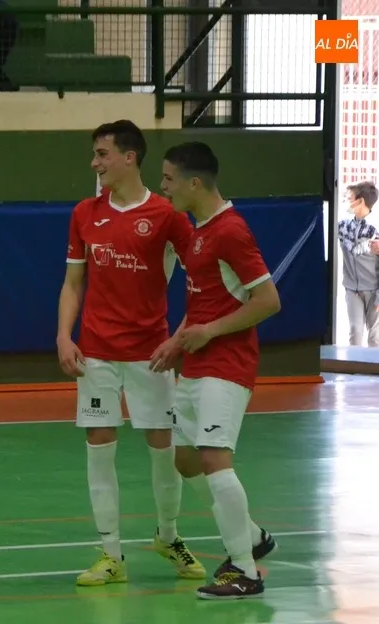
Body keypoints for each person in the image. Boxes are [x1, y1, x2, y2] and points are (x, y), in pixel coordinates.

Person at [57, 119, 205, 587]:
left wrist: (178, 338)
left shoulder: (167, 215)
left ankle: (168, 536)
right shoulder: (85, 213)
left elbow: (204, 282)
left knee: (164, 447)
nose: (94, 163)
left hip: (151, 353)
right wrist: (63, 336)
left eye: (102, 154)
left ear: (129, 157)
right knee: (99, 445)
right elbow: (73, 282)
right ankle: (110, 554)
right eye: (94, 154)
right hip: (96, 352)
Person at [155, 141, 281, 599]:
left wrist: (210, 332)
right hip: (196, 363)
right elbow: (203, 303)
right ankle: (252, 536)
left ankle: (245, 570)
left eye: (168, 179)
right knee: (183, 456)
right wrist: (177, 340)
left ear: (194, 183)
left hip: (227, 365)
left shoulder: (231, 231)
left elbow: (268, 300)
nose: (162, 186)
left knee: (213, 457)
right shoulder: (198, 233)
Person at [338, 181, 379, 346]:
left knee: (374, 337)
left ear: (360, 201)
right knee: (355, 332)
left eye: (349, 198)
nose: (346, 201)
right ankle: (353, 364)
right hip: (352, 289)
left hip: (374, 291)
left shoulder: (375, 229)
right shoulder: (343, 226)